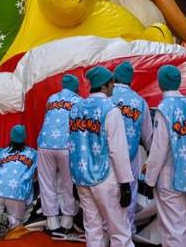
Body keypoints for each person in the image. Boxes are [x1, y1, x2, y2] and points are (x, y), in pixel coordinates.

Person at [144, 65, 186, 247]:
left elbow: (159, 149)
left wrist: (149, 180)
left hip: (171, 176)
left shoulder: (164, 109)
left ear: (160, 83)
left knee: (174, 228)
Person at [68, 66, 133, 247]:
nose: (114, 86)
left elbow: (72, 145)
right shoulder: (111, 111)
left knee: (93, 228)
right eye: (112, 83)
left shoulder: (75, 109)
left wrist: (74, 179)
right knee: (119, 230)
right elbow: (117, 150)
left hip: (81, 177)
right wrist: (125, 183)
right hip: (105, 176)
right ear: (105, 85)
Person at [110, 62, 153, 234]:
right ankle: (128, 231)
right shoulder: (139, 101)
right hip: (130, 156)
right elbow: (148, 136)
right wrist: (152, 156)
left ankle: (108, 232)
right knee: (129, 194)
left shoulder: (106, 96)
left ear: (114, 77)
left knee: (108, 195)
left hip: (105, 156)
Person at [37, 74, 82, 234]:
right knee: (67, 183)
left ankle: (52, 223)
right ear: (76, 87)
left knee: (47, 183)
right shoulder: (79, 101)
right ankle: (67, 222)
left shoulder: (51, 98)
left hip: (44, 144)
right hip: (66, 145)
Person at [0, 125, 37, 239]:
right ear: (24, 137)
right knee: (19, 220)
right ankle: (9, 221)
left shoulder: (3, 152)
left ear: (11, 137)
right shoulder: (33, 153)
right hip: (17, 191)